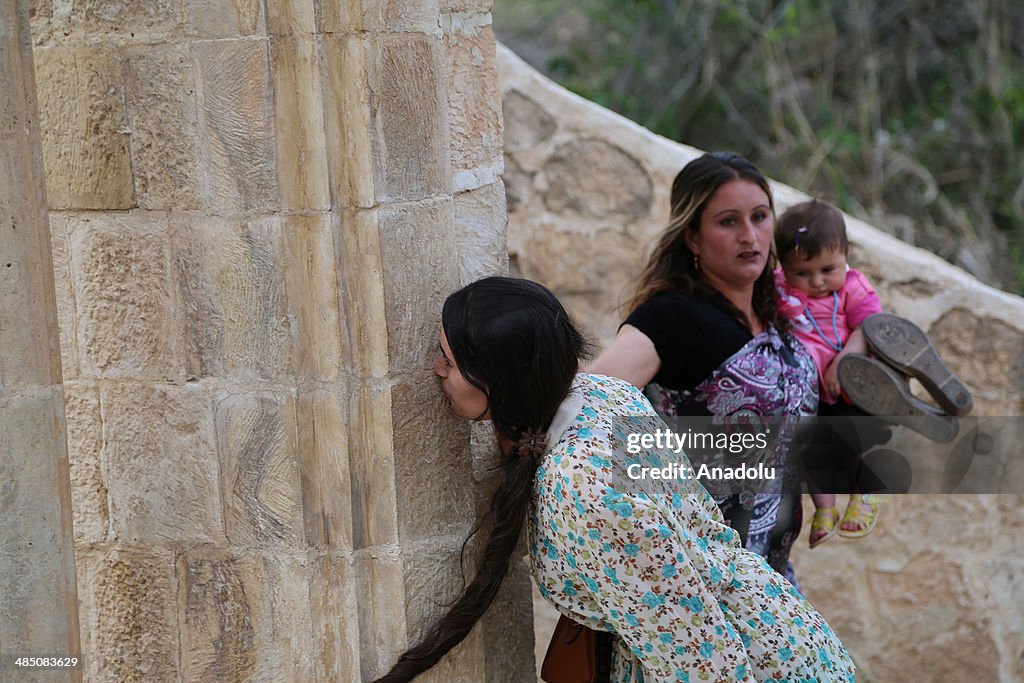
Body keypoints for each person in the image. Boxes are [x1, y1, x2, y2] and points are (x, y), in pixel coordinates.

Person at [375, 276, 855, 682]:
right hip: (772, 627)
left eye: (451, 361)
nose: (436, 369)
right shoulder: (602, 394)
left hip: (748, 660)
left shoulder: (584, 488)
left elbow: (700, 658)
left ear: (500, 382)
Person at [590, 151, 814, 584]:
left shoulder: (780, 318)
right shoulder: (672, 318)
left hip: (774, 579)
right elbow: (590, 399)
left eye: (760, 217)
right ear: (692, 237)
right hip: (702, 587)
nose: (750, 235)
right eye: (728, 221)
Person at [774, 199, 972, 547]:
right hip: (811, 393)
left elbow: (868, 325)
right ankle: (825, 510)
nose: (817, 281)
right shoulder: (781, 290)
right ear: (784, 266)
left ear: (846, 256)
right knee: (812, 451)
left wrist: (845, 358)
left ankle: (868, 485)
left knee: (847, 443)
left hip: (852, 386)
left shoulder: (852, 287)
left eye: (827, 269)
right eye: (802, 273)